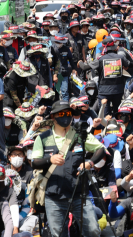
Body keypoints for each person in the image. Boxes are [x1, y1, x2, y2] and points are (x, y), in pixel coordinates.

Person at [31, 101, 106, 237]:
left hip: (79, 194)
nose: (65, 116)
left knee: (93, 231)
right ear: (53, 117)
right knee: (58, 234)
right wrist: (50, 160)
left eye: (67, 113)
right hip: (54, 196)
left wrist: (90, 163)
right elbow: (34, 162)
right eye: (61, 114)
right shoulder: (43, 138)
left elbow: (101, 149)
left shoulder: (80, 134)